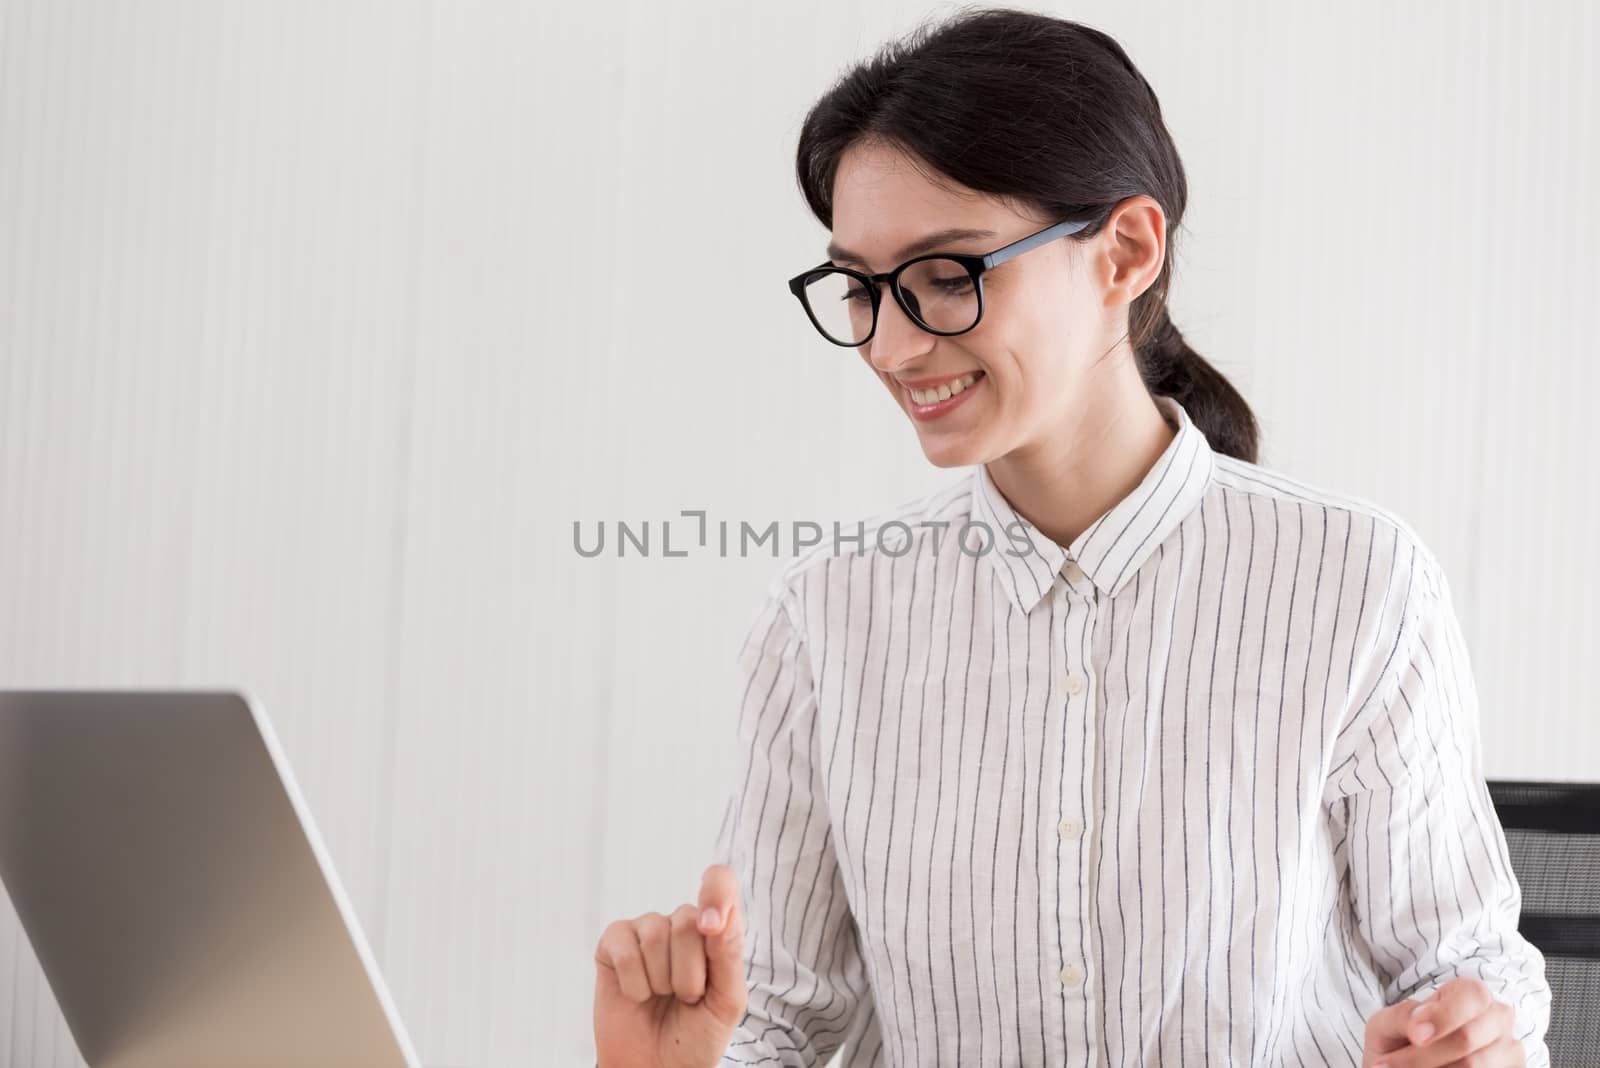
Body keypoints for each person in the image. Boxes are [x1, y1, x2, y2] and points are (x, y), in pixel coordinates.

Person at [592, 7, 1553, 1066]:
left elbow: (1463, 965)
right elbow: (773, 1016)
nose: (893, 343)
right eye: (861, 288)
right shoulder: (825, 618)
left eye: (947, 276)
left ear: (1126, 252)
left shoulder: (1354, 584)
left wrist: (1472, 1036)